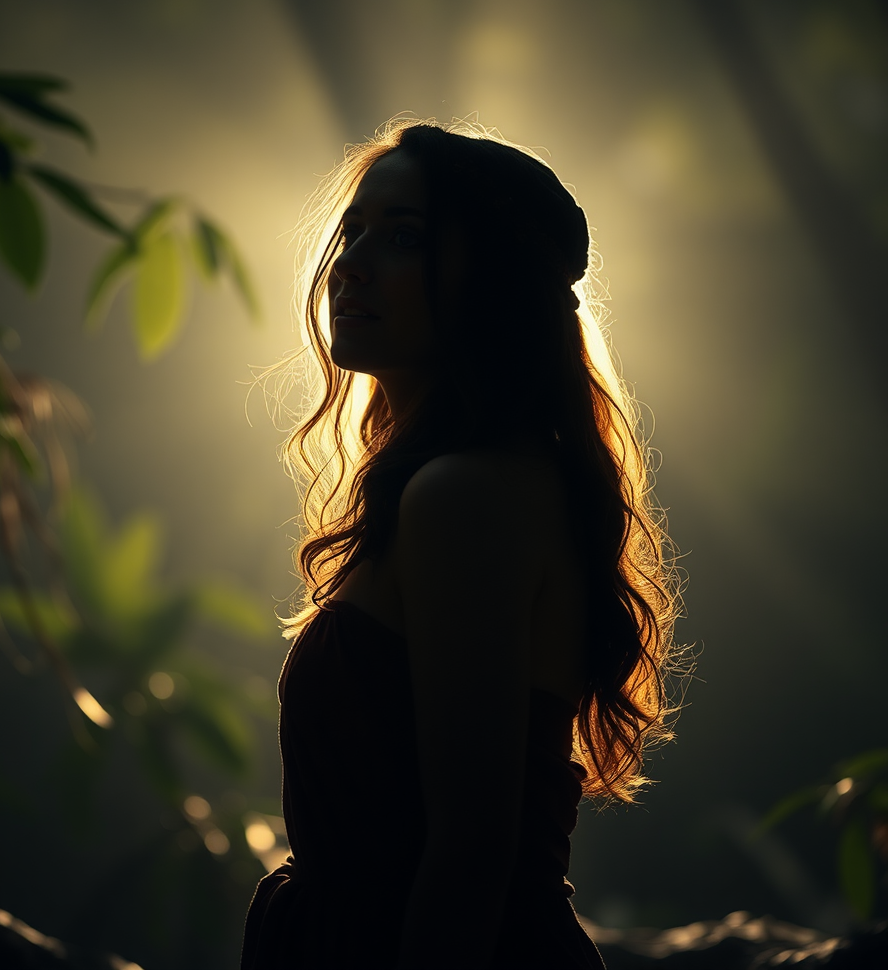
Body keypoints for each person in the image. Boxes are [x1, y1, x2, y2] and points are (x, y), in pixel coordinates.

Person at [241, 120, 680, 970]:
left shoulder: (466, 495)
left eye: (403, 237)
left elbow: (473, 853)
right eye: (353, 230)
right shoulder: (465, 483)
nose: (352, 262)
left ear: (492, 283)